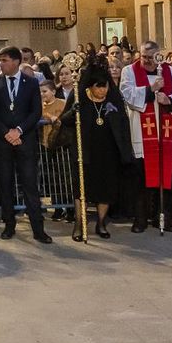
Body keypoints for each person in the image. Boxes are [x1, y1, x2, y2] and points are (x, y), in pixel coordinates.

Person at [119, 41, 172, 233]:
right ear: (139, 54)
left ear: (158, 56)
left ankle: (164, 217)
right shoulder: (129, 71)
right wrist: (151, 90)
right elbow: (127, 93)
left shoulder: (171, 72)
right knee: (141, 179)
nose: (148, 61)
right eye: (144, 57)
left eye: (152, 57)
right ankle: (141, 219)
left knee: (167, 176)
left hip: (168, 133)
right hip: (141, 135)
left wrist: (169, 99)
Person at [0, 45, 52, 243]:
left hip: (25, 141)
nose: (1, 65)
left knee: (30, 185)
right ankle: (9, 225)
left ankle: (37, 228)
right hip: (3, 142)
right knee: (5, 185)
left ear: (16, 61)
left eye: (5, 60)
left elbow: (35, 112)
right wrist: (6, 132)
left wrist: (19, 131)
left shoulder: (31, 83)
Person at [65, 59, 129, 240]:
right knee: (81, 189)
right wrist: (73, 111)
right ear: (91, 86)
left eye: (105, 87)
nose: (103, 90)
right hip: (85, 151)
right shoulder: (79, 97)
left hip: (108, 152)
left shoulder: (113, 99)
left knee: (105, 189)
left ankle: (101, 223)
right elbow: (64, 120)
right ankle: (79, 224)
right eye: (99, 87)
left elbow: (122, 123)